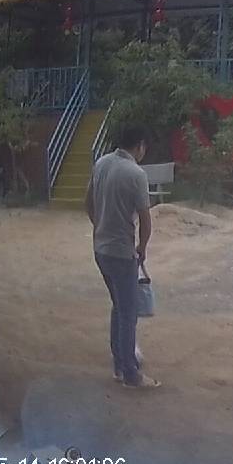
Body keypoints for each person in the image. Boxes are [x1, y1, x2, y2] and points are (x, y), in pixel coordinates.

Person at [84, 126, 160, 388]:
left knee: (119, 306)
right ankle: (130, 373)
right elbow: (146, 220)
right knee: (128, 312)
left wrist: (100, 226)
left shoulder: (101, 163)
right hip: (121, 252)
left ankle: (120, 365)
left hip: (100, 248)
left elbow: (88, 203)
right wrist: (142, 247)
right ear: (140, 145)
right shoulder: (136, 174)